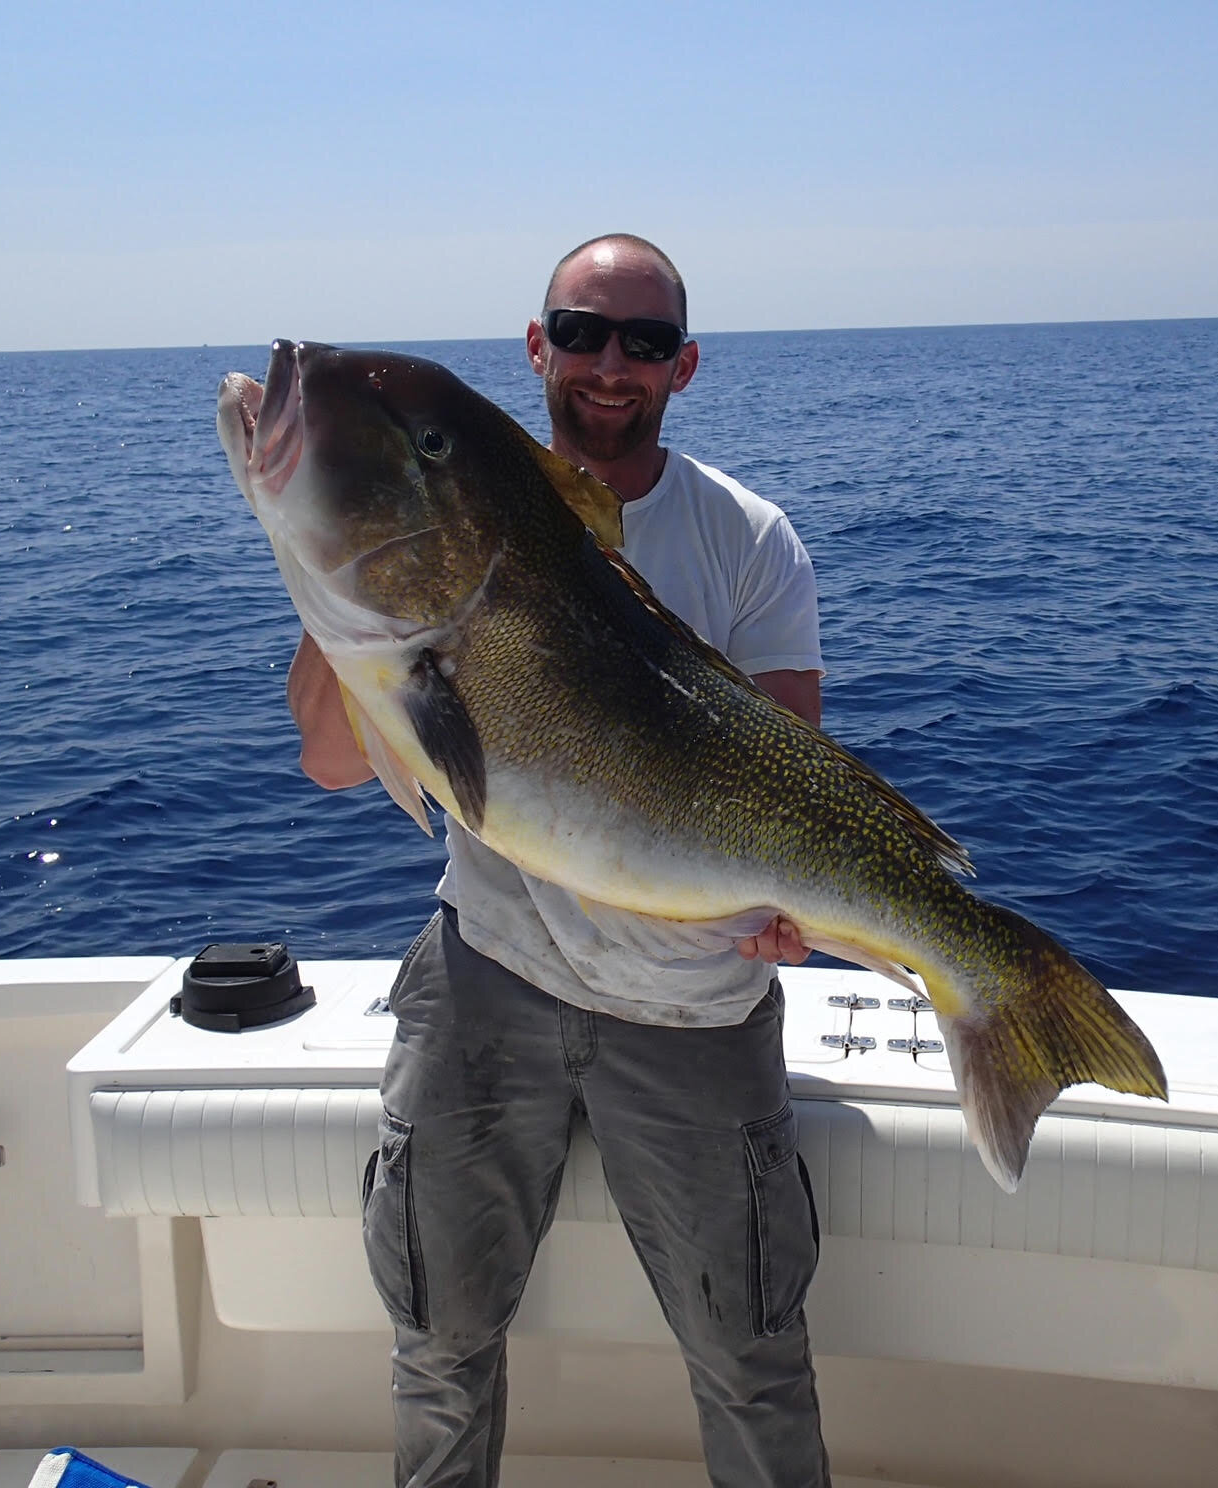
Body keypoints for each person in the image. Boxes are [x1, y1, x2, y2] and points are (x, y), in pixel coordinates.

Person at [287, 234, 832, 1488]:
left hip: (693, 1007)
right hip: (487, 980)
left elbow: (789, 772)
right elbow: (331, 762)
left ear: (682, 367)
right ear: (536, 345)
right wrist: (339, 591)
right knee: (438, 1343)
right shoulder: (445, 521)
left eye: (643, 344)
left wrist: (791, 905)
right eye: (581, 332)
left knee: (749, 1355)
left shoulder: (749, 540)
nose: (608, 365)